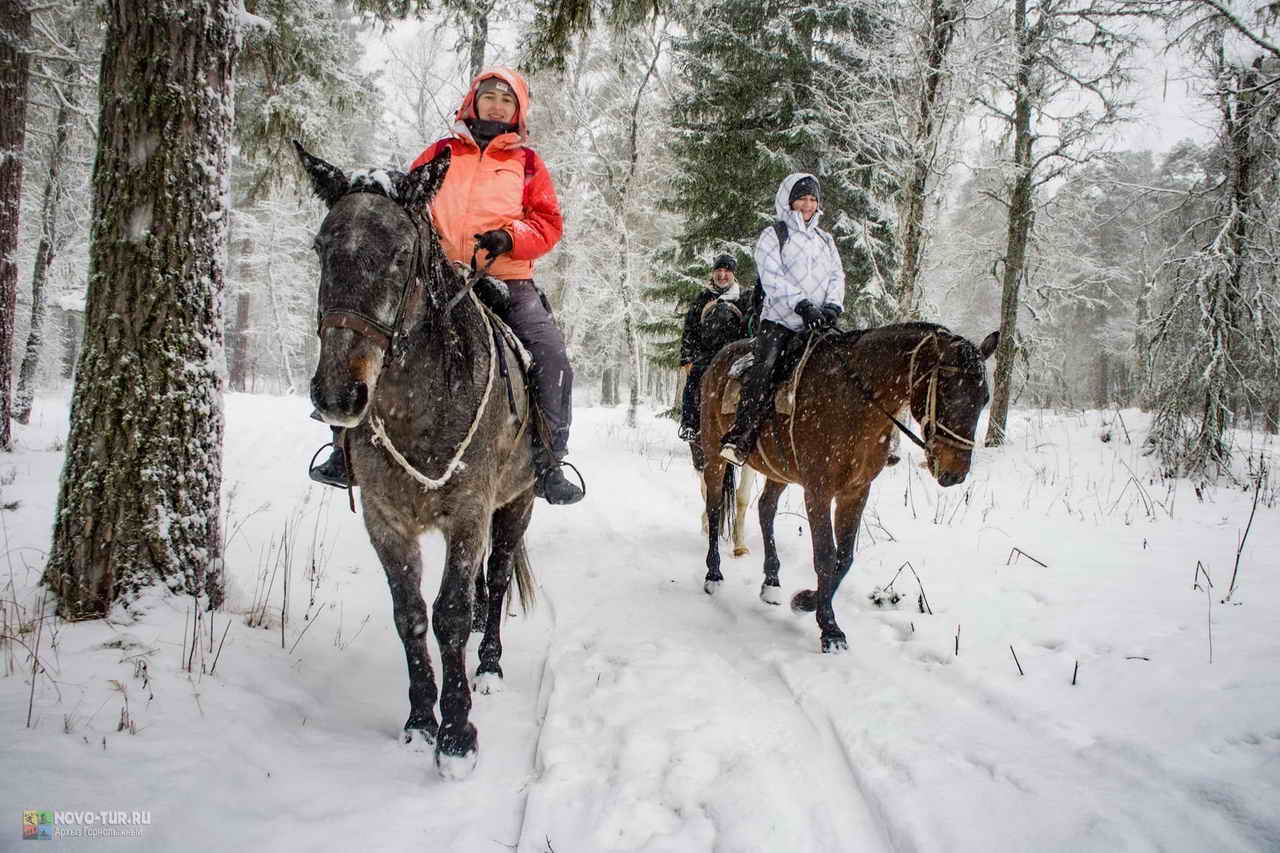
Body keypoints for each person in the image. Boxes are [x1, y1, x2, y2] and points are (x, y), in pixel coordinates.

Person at [309, 67, 584, 505]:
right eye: (489, 96)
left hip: (505, 279)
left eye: (506, 100)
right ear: (473, 100)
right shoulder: (439, 153)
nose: (496, 104)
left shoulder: (527, 164)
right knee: (369, 330)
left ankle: (550, 460)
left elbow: (547, 224)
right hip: (437, 275)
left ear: (518, 110)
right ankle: (344, 448)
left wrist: (510, 238)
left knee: (551, 356)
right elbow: (408, 207)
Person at [719, 173, 845, 466]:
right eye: (802, 198)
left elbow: (837, 275)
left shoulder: (825, 240)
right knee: (763, 370)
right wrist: (802, 305)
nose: (808, 204)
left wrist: (832, 308)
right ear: (789, 201)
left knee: (848, 366)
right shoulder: (773, 235)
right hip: (780, 322)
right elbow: (772, 276)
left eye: (813, 199)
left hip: (820, 324)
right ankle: (741, 437)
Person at [678, 254, 748, 445]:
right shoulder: (703, 297)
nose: (722, 275)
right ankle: (689, 423)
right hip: (707, 354)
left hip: (736, 353)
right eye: (719, 271)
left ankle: (747, 427)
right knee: (693, 380)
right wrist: (687, 358)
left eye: (726, 271)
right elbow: (690, 328)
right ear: (713, 273)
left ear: (733, 274)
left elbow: (751, 323)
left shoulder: (744, 297)